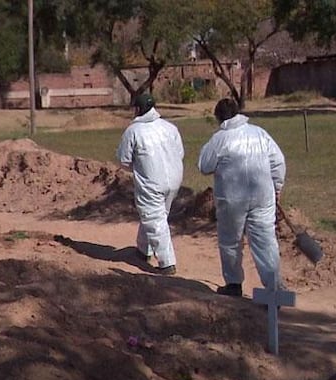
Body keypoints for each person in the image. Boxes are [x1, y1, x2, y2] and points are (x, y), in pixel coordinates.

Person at [198, 98, 286, 296]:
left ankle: (234, 284)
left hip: (232, 198)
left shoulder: (219, 138)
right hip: (263, 195)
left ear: (219, 117)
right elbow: (278, 162)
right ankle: (275, 289)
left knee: (230, 240)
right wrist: (277, 187)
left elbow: (204, 166)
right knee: (265, 240)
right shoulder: (260, 133)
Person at [117, 93, 184, 275]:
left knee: (154, 218)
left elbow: (124, 160)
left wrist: (139, 168)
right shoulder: (170, 127)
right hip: (174, 179)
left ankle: (167, 263)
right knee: (157, 214)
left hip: (151, 181)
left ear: (138, 109)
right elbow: (180, 152)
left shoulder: (134, 131)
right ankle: (143, 249)